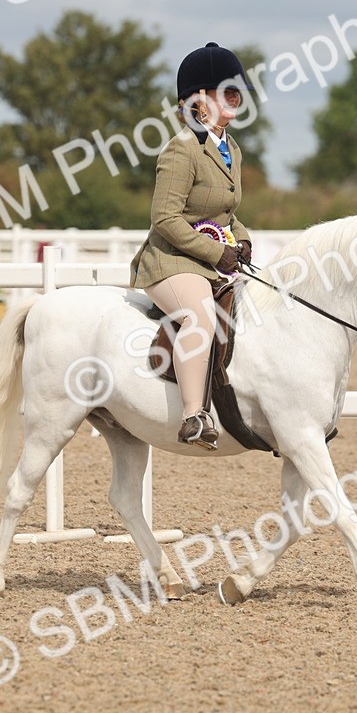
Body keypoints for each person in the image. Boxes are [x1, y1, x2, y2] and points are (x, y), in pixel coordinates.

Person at [129, 43, 254, 450]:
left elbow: (226, 215)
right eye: (226, 91)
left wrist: (244, 239)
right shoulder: (181, 149)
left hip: (209, 261)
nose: (235, 98)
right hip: (168, 261)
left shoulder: (230, 148)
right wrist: (217, 252)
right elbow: (164, 219)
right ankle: (193, 417)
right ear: (199, 100)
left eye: (237, 91)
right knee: (200, 317)